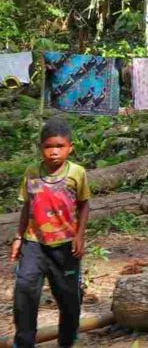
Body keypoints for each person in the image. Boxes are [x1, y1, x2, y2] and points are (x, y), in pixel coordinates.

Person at [11, 118, 91, 348]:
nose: (53, 152)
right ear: (41, 148)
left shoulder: (77, 173)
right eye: (48, 147)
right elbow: (28, 206)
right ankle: (24, 342)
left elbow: (84, 204)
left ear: (70, 147)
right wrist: (18, 237)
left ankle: (67, 341)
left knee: (68, 300)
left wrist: (79, 235)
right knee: (24, 294)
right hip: (34, 244)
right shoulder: (32, 172)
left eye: (59, 146)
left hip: (65, 246)